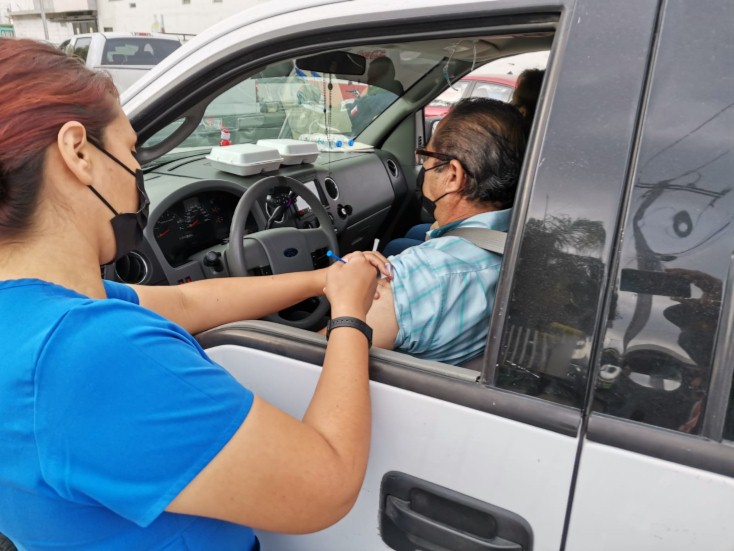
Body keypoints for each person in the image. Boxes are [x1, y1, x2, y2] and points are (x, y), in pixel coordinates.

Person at [0, 38, 388, 550]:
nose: (138, 172)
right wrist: (349, 319)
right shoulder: (91, 352)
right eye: (131, 150)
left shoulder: (44, 313)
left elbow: (187, 303)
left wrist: (324, 281)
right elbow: (328, 481)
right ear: (78, 153)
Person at [364, 98, 528, 364]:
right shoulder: (527, 234)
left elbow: (318, 362)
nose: (423, 170)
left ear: (453, 175)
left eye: (425, 159)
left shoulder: (418, 276)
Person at [349, 56, 404, 134]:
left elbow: (348, 120)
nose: (368, 82)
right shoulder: (399, 96)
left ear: (383, 78)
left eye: (372, 77)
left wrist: (361, 97)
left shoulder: (369, 101)